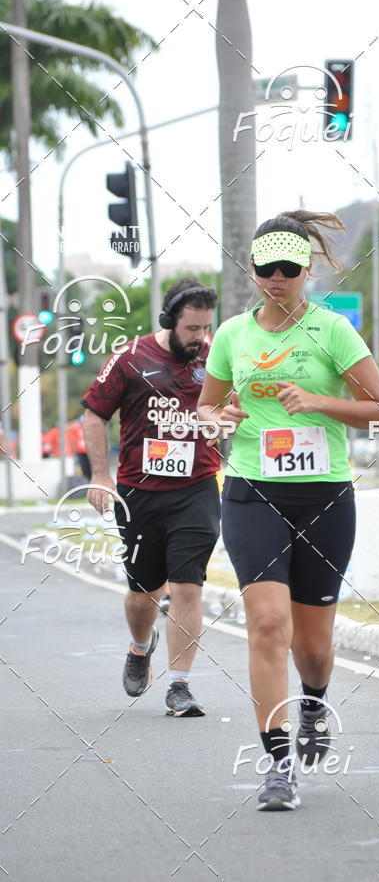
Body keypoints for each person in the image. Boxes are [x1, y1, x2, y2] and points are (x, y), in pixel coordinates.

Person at [197, 211, 379, 810]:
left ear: (308, 268)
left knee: (311, 644)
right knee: (267, 625)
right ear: (252, 270)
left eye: (288, 267)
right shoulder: (232, 335)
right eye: (265, 267)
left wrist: (317, 401)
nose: (276, 277)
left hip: (325, 496)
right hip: (253, 490)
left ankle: (314, 699)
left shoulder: (332, 331)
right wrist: (219, 418)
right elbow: (207, 408)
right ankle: (276, 762)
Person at [82, 278, 221, 717]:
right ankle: (141, 647)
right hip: (139, 493)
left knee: (187, 586)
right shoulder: (130, 358)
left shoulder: (217, 357)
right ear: (168, 321)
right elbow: (93, 414)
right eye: (192, 330)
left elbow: (232, 405)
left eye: (205, 328)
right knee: (143, 593)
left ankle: (179, 686)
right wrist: (101, 476)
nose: (201, 338)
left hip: (197, 489)